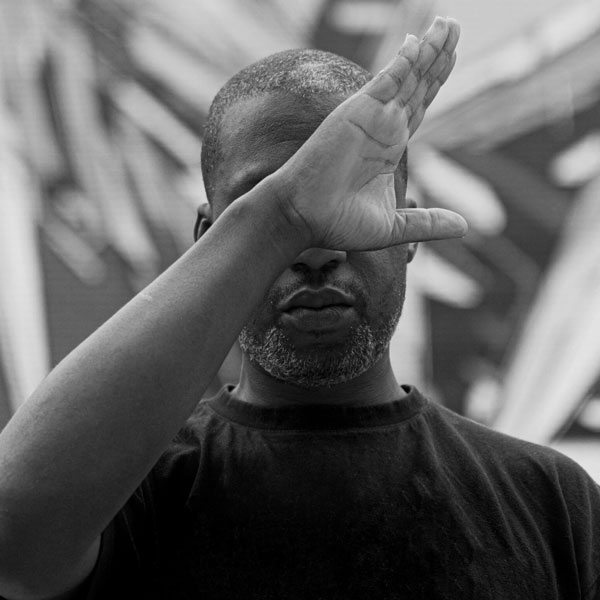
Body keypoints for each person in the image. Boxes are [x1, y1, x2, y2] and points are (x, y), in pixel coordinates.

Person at [0, 15, 599, 600]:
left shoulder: (550, 501)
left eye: (354, 196)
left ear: (410, 230)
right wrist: (279, 217)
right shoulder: (126, 495)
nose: (316, 250)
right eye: (271, 203)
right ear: (211, 240)